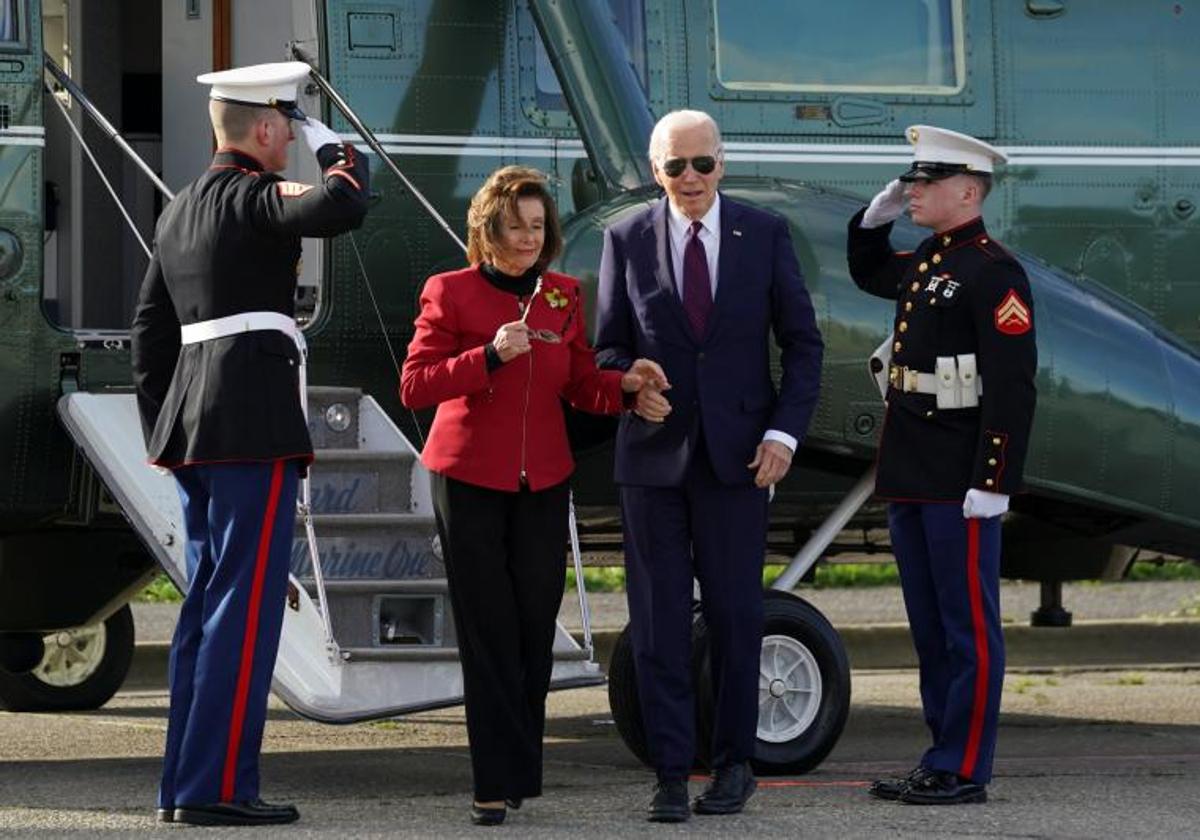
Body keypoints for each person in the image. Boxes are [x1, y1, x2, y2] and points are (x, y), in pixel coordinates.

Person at [130, 61, 369, 826]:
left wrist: (164, 429)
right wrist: (334, 145)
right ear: (267, 127)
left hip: (196, 429)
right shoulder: (257, 197)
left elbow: (150, 334)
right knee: (245, 609)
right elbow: (345, 203)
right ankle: (218, 790)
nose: (290, 141)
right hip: (251, 425)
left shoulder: (179, 210)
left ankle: (184, 785)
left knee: (206, 608)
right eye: (288, 126)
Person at [399, 165, 665, 826]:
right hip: (468, 481)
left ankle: (519, 769)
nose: (527, 237)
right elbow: (416, 386)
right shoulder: (450, 291)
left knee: (531, 630)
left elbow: (579, 383)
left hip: (543, 481)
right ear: (488, 230)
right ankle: (493, 783)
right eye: (515, 225)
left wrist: (625, 384)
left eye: (537, 226)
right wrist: (486, 357)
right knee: (487, 632)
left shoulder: (561, 296)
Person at [595, 110, 824, 822]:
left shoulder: (764, 234)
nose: (689, 179)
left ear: (722, 163)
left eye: (702, 164)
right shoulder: (625, 237)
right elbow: (604, 351)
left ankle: (732, 763)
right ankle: (669, 771)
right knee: (659, 626)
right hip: (653, 465)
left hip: (740, 463)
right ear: (653, 169)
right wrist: (631, 382)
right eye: (674, 167)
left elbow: (803, 345)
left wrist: (785, 433)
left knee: (734, 618)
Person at [846, 125, 1038, 805]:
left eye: (926, 183)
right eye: (912, 181)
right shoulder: (930, 260)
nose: (913, 190)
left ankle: (965, 767)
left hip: (960, 478)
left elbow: (1011, 389)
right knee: (931, 628)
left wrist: (992, 482)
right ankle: (939, 756)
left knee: (967, 630)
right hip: (912, 472)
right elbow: (872, 272)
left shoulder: (994, 272)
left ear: (967, 189)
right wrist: (872, 223)